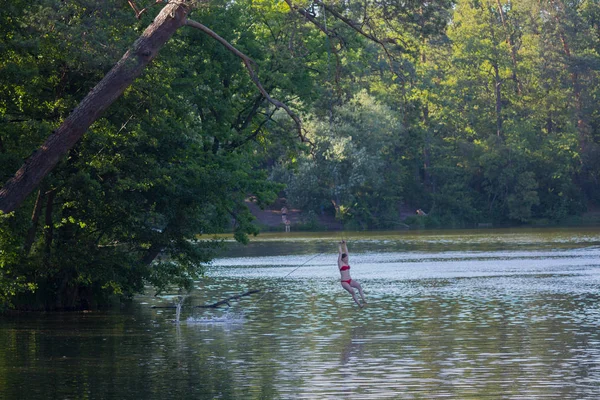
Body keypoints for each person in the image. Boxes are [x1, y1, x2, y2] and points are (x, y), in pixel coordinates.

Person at [338, 240, 367, 307]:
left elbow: (347, 253)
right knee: (352, 291)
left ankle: (364, 300)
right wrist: (339, 245)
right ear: (342, 259)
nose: (347, 259)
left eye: (347, 258)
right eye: (345, 258)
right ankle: (359, 304)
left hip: (350, 280)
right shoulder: (340, 263)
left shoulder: (347, 263)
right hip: (344, 282)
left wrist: (344, 244)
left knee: (359, 286)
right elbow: (340, 254)